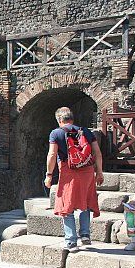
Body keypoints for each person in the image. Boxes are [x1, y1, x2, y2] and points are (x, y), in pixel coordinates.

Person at [44, 107, 103, 252]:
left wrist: (49, 174)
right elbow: (97, 153)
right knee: (86, 201)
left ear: (59, 120)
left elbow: (52, 155)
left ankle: (71, 241)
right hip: (87, 170)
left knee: (66, 204)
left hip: (68, 170)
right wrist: (99, 172)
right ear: (72, 119)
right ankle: (84, 235)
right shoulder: (86, 131)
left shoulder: (56, 133)